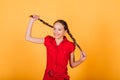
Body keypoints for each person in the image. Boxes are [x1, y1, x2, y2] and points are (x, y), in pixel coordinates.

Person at [25, 15, 86, 80]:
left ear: (65, 32)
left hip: (62, 78)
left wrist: (81, 60)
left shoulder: (70, 45)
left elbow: (72, 64)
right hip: (48, 77)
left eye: (59, 30)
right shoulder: (48, 40)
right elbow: (28, 38)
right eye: (54, 29)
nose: (56, 32)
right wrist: (31, 21)